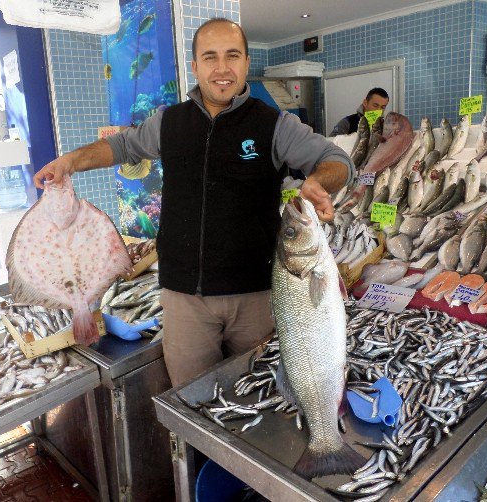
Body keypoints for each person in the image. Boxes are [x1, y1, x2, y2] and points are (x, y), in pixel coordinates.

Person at [33, 18, 355, 387]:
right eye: (210, 57)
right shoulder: (169, 122)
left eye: (232, 56)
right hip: (185, 299)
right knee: (192, 401)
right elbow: (120, 146)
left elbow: (338, 162)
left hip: (254, 296)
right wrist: (70, 161)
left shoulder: (274, 124)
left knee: (255, 397)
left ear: (246, 63)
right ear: (195, 66)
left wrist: (317, 180)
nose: (222, 68)